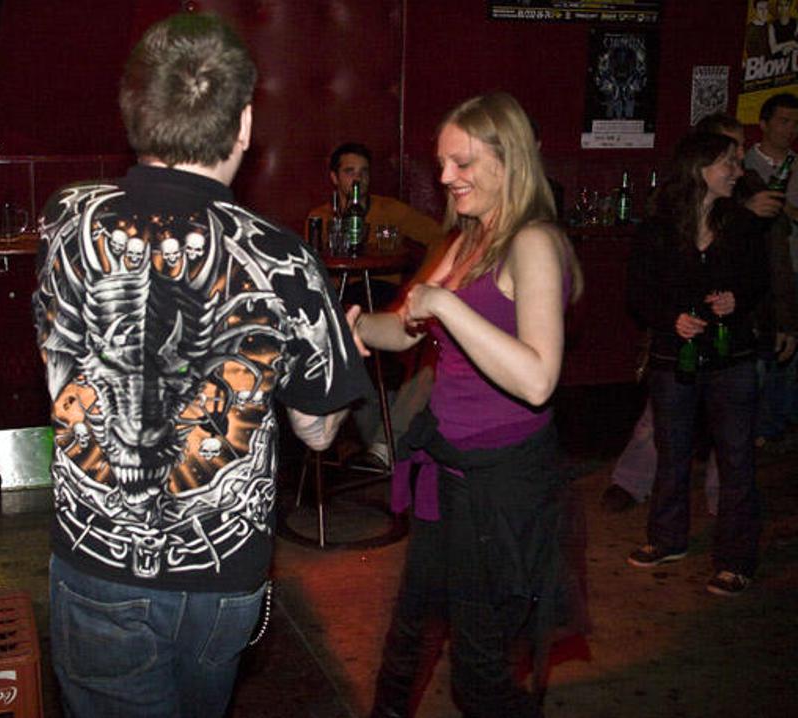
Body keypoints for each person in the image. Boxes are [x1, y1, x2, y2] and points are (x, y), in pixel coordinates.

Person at [31, 13, 371, 717]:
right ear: (244, 124)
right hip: (221, 577)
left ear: (133, 113)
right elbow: (316, 432)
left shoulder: (66, 218)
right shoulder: (284, 260)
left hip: (98, 566)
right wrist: (332, 348)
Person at [348, 92, 582, 717]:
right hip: (447, 469)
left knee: (480, 670)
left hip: (502, 483)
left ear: (509, 161)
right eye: (443, 164)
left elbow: (538, 379)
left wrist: (447, 305)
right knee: (410, 629)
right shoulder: (469, 238)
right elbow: (404, 329)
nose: (446, 177)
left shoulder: (533, 243)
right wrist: (351, 324)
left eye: (463, 163)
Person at [602, 111, 797, 514]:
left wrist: (781, 319)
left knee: (733, 436)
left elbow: (769, 263)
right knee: (665, 425)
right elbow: (648, 282)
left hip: (737, 338)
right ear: (703, 158)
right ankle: (637, 489)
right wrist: (669, 318)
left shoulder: (747, 194)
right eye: (731, 151)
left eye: (740, 151)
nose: (740, 160)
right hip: (682, 341)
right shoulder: (671, 209)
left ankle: (726, 512)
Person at [625, 131, 768, 597]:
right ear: (699, 168)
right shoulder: (658, 227)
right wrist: (671, 318)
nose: (737, 171)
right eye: (729, 162)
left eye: (737, 163)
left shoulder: (741, 224)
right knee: (672, 451)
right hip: (676, 356)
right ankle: (667, 539)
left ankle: (735, 560)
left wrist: (737, 299)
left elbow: (759, 281)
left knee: (736, 458)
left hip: (732, 357)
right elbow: (639, 292)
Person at [309, 142, 449, 467]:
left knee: (428, 355)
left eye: (364, 172)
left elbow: (441, 237)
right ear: (334, 177)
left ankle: (382, 444)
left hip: (386, 296)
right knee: (347, 354)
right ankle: (377, 445)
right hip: (345, 296)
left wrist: (422, 281)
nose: (358, 179)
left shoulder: (391, 211)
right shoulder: (321, 216)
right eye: (349, 171)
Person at [745, 92, 798, 440]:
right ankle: (755, 427)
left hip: (794, 267)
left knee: (790, 353)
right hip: (759, 272)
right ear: (763, 124)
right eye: (784, 121)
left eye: (796, 123)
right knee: (760, 353)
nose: (791, 129)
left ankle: (780, 426)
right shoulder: (744, 166)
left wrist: (787, 211)